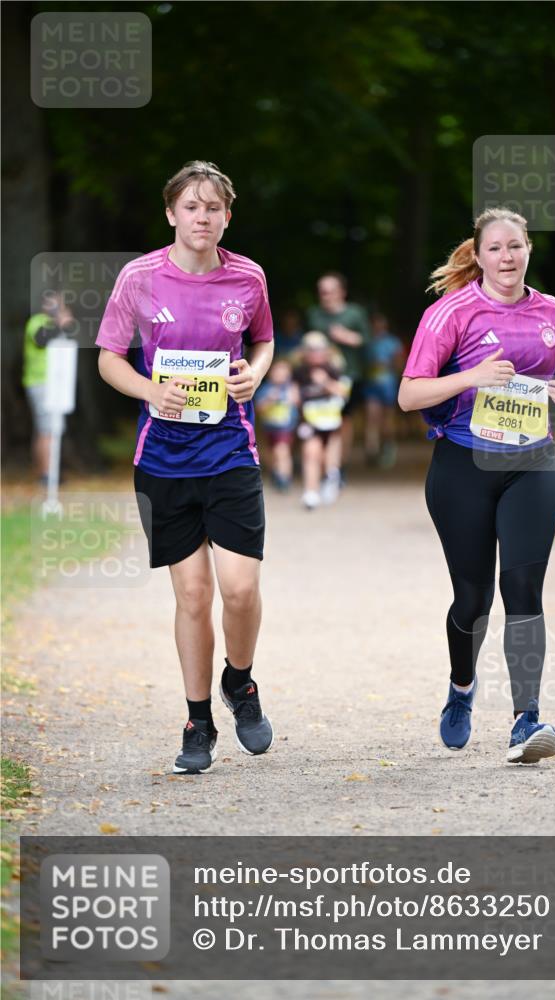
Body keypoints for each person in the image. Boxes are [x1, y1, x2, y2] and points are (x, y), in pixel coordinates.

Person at [96, 160, 275, 774]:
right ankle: (198, 722)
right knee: (194, 595)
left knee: (241, 588)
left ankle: (241, 684)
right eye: (192, 207)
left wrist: (255, 372)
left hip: (229, 451)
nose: (203, 218)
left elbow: (264, 340)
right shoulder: (139, 277)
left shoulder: (248, 277)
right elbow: (109, 359)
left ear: (228, 216)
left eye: (214, 208)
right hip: (165, 460)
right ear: (171, 212)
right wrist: (149, 392)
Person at [398, 207, 555, 764]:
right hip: (463, 466)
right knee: (472, 599)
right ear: (477, 256)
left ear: (529, 250)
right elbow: (409, 395)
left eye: (516, 247)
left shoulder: (553, 313)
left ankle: (526, 718)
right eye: (496, 248)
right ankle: (461, 688)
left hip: (532, 462)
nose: (507, 257)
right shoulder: (449, 313)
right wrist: (473, 377)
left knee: (523, 589)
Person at [307, 272, 369, 470]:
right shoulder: (314, 314)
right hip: (318, 376)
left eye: (330, 291)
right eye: (322, 292)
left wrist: (346, 337)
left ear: (341, 292)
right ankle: (319, 462)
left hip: (348, 374)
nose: (326, 295)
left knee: (344, 420)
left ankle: (340, 464)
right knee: (316, 416)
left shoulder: (355, 313)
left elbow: (367, 341)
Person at [23, 292, 76, 484]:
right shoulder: (37, 321)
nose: (58, 306)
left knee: (50, 429)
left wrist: (65, 322)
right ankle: (46, 475)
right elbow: (41, 339)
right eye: (54, 302)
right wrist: (60, 321)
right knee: (47, 430)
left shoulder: (53, 323)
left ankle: (49, 472)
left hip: (55, 384)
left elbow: (70, 333)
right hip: (40, 383)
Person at [293, 331, 349, 510]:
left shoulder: (334, 369)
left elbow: (342, 392)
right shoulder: (300, 372)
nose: (315, 353)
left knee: (328, 457)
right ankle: (311, 492)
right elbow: (295, 395)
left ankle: (331, 477)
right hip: (310, 421)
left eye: (319, 349)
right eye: (311, 349)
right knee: (311, 453)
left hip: (331, 422)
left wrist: (325, 382)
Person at [363, 312, 404, 467]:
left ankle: (388, 448)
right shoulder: (367, 342)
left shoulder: (392, 342)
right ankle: (371, 451)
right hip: (371, 386)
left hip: (388, 385)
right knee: (371, 418)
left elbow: (399, 364)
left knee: (387, 420)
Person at [255, 358, 300, 491]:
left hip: (286, 427)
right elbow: (259, 408)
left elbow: (297, 403)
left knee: (282, 451)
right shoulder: (266, 388)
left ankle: (284, 477)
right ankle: (276, 471)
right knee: (270, 452)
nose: (280, 375)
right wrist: (269, 399)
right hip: (269, 426)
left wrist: (293, 397)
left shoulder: (291, 387)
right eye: (277, 371)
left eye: (283, 372)